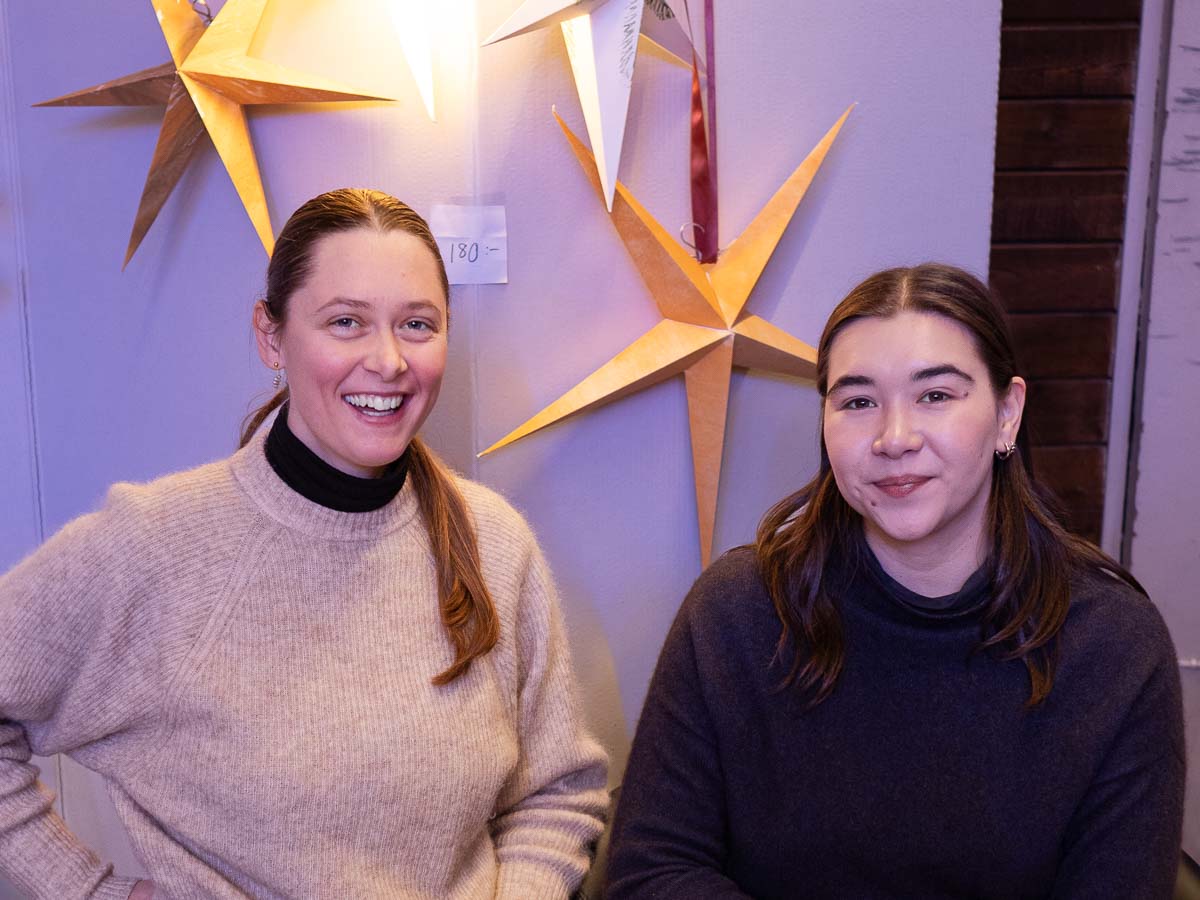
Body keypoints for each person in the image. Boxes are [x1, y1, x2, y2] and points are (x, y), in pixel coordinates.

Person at [0, 188, 608, 899]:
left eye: (417, 324)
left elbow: (556, 793)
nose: (388, 361)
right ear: (271, 336)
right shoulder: (157, 546)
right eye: (346, 322)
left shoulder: (494, 544)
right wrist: (92, 892)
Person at [605, 263, 1185, 899]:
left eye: (935, 395)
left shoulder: (1113, 645)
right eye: (858, 402)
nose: (894, 438)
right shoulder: (735, 613)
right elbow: (649, 872)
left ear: (1007, 413)